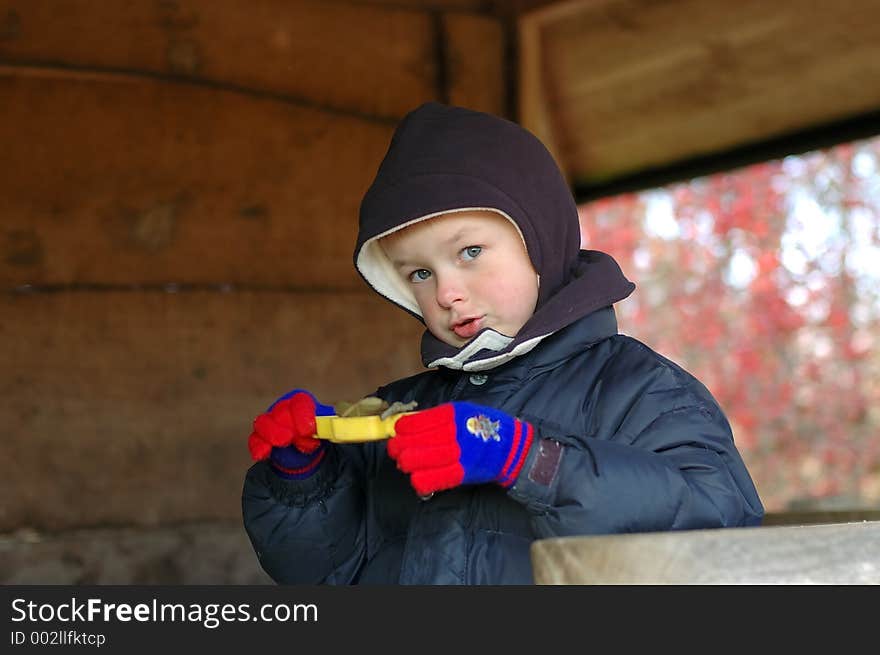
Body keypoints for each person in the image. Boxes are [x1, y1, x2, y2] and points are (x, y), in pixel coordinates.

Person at [241, 102, 764, 585]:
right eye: (420, 272)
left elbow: (721, 528)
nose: (447, 292)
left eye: (470, 251)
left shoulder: (641, 391)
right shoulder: (403, 413)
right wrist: (302, 479)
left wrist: (531, 460)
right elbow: (324, 571)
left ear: (539, 239)